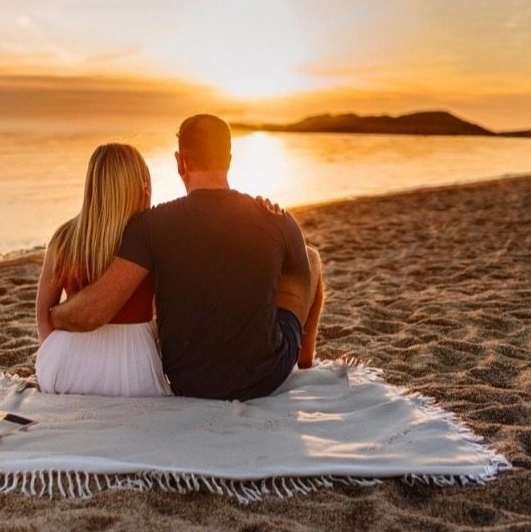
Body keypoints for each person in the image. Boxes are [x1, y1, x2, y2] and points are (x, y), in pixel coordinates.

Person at [49, 114, 325, 401]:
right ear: (229, 160)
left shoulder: (150, 226)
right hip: (264, 377)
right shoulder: (276, 221)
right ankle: (304, 360)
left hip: (189, 380)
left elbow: (95, 312)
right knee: (310, 258)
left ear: (180, 162)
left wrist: (54, 315)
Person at [34, 143, 172, 397]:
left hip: (70, 361)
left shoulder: (65, 237)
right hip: (133, 365)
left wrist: (51, 353)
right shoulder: (147, 241)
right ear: (139, 185)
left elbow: (43, 312)